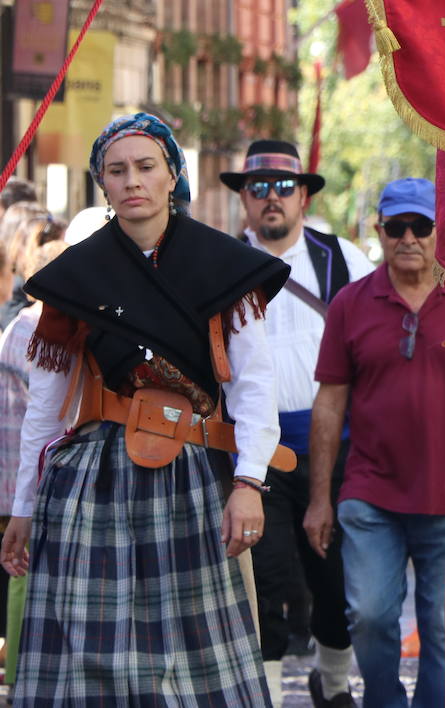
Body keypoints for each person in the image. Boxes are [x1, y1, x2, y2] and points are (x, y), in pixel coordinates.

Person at [0, 112, 289, 703]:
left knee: (194, 671)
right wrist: (24, 507)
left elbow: (256, 388)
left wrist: (249, 484)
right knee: (92, 665)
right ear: (101, 184)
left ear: (172, 176)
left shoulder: (225, 267)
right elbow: (46, 405)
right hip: (92, 485)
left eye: (146, 167)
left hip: (197, 479)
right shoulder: (73, 276)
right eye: (117, 170)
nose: (132, 180)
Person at [306, 177, 445, 708]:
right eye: (396, 226)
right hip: (369, 493)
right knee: (371, 617)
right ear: (379, 231)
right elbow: (329, 404)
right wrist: (319, 499)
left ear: (437, 231)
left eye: (420, 226)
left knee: (443, 631)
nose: (408, 237)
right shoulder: (351, 304)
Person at [222, 140, 374, 707]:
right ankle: (267, 698)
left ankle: (334, 687)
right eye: (256, 188)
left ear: (304, 195)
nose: (270, 200)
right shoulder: (218, 262)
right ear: (243, 199)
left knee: (332, 579)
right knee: (264, 581)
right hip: (246, 453)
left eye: (282, 188)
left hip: (333, 446)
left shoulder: (344, 259)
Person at [0, 238, 66, 685]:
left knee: (21, 571)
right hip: (30, 472)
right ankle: (22, 673)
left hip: (17, 471)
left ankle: (20, 672)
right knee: (25, 572)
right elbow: (47, 413)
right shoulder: (35, 329)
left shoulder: (18, 326)